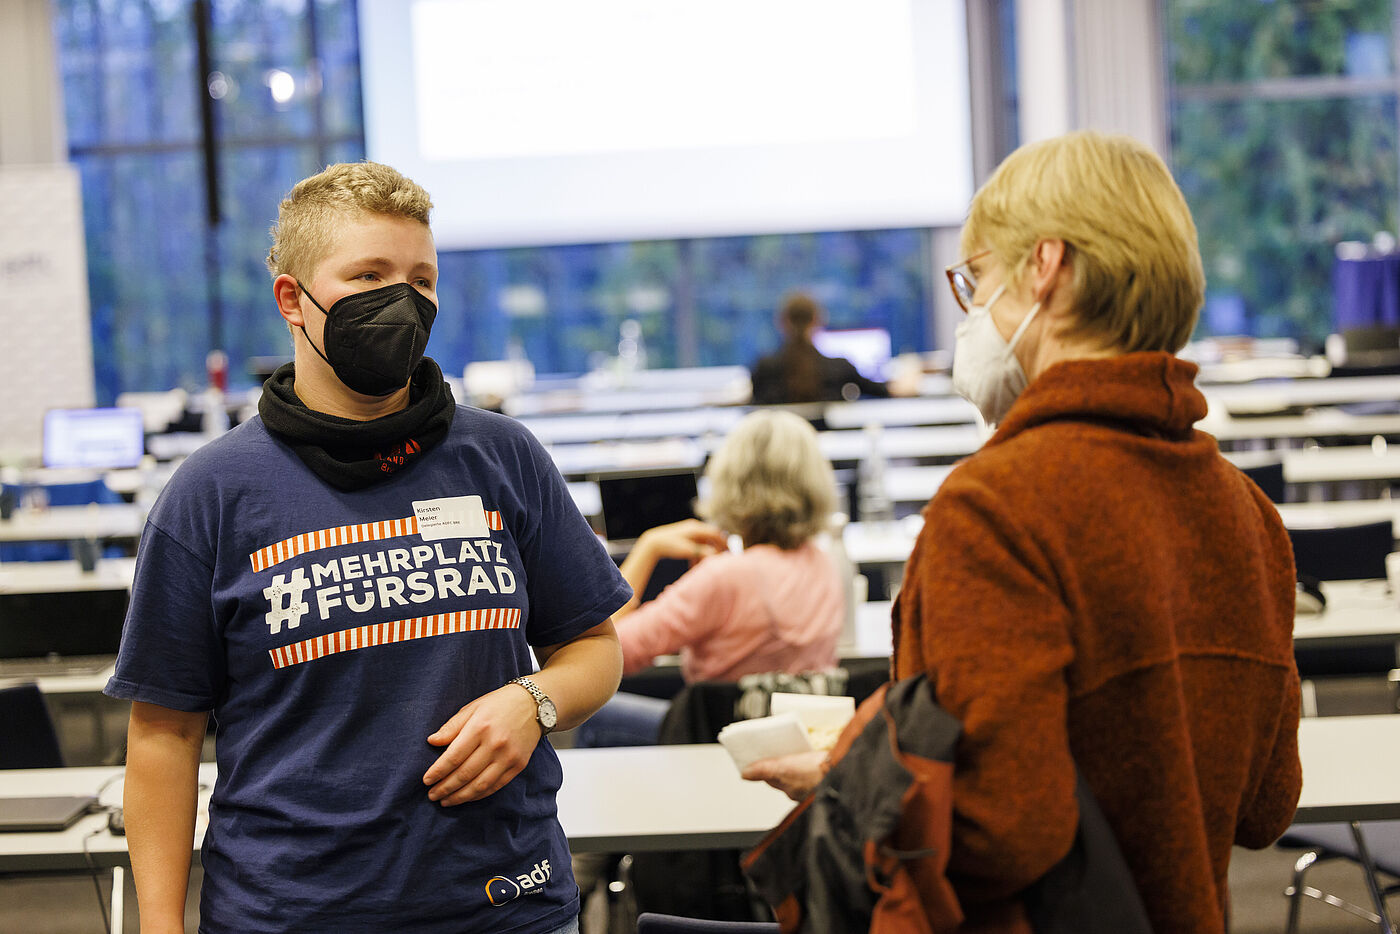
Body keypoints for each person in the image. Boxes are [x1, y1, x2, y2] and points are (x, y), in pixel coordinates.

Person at [745, 131, 1302, 933]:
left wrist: (853, 779)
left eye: (978, 279)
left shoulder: (996, 506)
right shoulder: (1245, 510)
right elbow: (1265, 807)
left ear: (1045, 268)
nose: (971, 312)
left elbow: (1001, 828)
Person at [106, 162, 631, 934]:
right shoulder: (213, 494)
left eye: (422, 278)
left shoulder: (501, 458)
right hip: (292, 911)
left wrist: (533, 702)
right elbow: (163, 734)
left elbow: (595, 648)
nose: (404, 299)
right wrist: (159, 925)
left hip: (503, 903)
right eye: (370, 274)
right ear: (294, 300)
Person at [573, 409, 846, 747]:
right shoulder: (825, 563)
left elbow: (606, 656)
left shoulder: (725, 577)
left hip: (719, 737)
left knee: (593, 715)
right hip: (802, 735)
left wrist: (648, 548)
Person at [749, 292, 906, 404]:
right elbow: (883, 390)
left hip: (779, 450)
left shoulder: (765, 368)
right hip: (828, 449)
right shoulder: (840, 368)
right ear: (818, 320)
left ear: (781, 322)